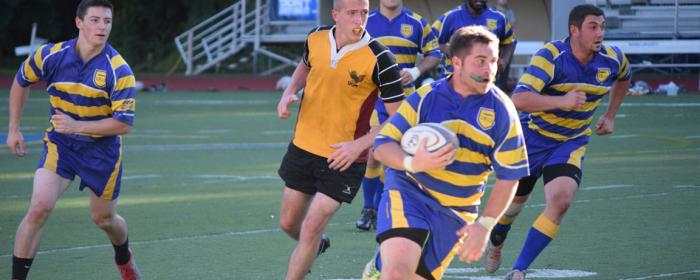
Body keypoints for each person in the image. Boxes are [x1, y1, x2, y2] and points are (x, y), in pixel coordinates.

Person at [362, 25, 529, 280]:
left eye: (494, 61)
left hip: (456, 210)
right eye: (481, 61)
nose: (490, 70)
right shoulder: (426, 97)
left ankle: (380, 262)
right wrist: (412, 162)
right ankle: (386, 264)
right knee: (396, 274)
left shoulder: (503, 111)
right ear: (457, 62)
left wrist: (484, 226)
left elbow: (509, 177)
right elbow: (383, 145)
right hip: (409, 191)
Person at [482, 4, 631, 280]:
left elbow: (625, 77)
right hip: (531, 139)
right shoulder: (550, 56)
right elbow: (520, 99)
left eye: (602, 27)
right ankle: (498, 237)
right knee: (513, 206)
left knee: (561, 201)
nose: (600, 33)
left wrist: (610, 115)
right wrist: (561, 101)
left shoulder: (612, 59)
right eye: (593, 27)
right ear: (574, 30)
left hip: (570, 142)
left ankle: (519, 270)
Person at [6, 0, 141, 280]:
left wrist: (77, 125)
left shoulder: (120, 70)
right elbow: (21, 81)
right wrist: (13, 128)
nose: (102, 27)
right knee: (39, 206)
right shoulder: (51, 55)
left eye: (107, 21)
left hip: (101, 152)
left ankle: (124, 258)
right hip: (61, 145)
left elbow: (123, 125)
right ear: (79, 22)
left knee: (104, 219)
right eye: (95, 20)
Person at [275, 0, 405, 278]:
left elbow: (399, 118)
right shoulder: (316, 37)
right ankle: (316, 245)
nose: (360, 19)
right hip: (303, 146)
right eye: (352, 13)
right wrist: (289, 91)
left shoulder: (381, 59)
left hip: (344, 158)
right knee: (288, 224)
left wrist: (358, 145)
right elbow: (305, 66)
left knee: (310, 227)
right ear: (336, 15)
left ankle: (308, 249)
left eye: (364, 13)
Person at [355, 0, 442, 231]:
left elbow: (434, 53)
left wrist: (416, 71)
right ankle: (368, 208)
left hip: (405, 101)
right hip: (374, 98)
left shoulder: (417, 23)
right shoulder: (366, 21)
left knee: (396, 154)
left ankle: (386, 206)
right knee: (374, 152)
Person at [433, 0, 516, 92]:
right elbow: (430, 43)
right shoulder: (450, 17)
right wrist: (445, 48)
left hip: (485, 84)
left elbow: (509, 42)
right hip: (453, 84)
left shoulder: (499, 18)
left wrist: (504, 61)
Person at [494, 0, 516, 92]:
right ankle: (493, 85)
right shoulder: (493, 11)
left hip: (507, 42)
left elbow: (512, 25)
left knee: (505, 66)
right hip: (496, 42)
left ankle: (502, 88)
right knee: (494, 64)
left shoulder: (509, 12)